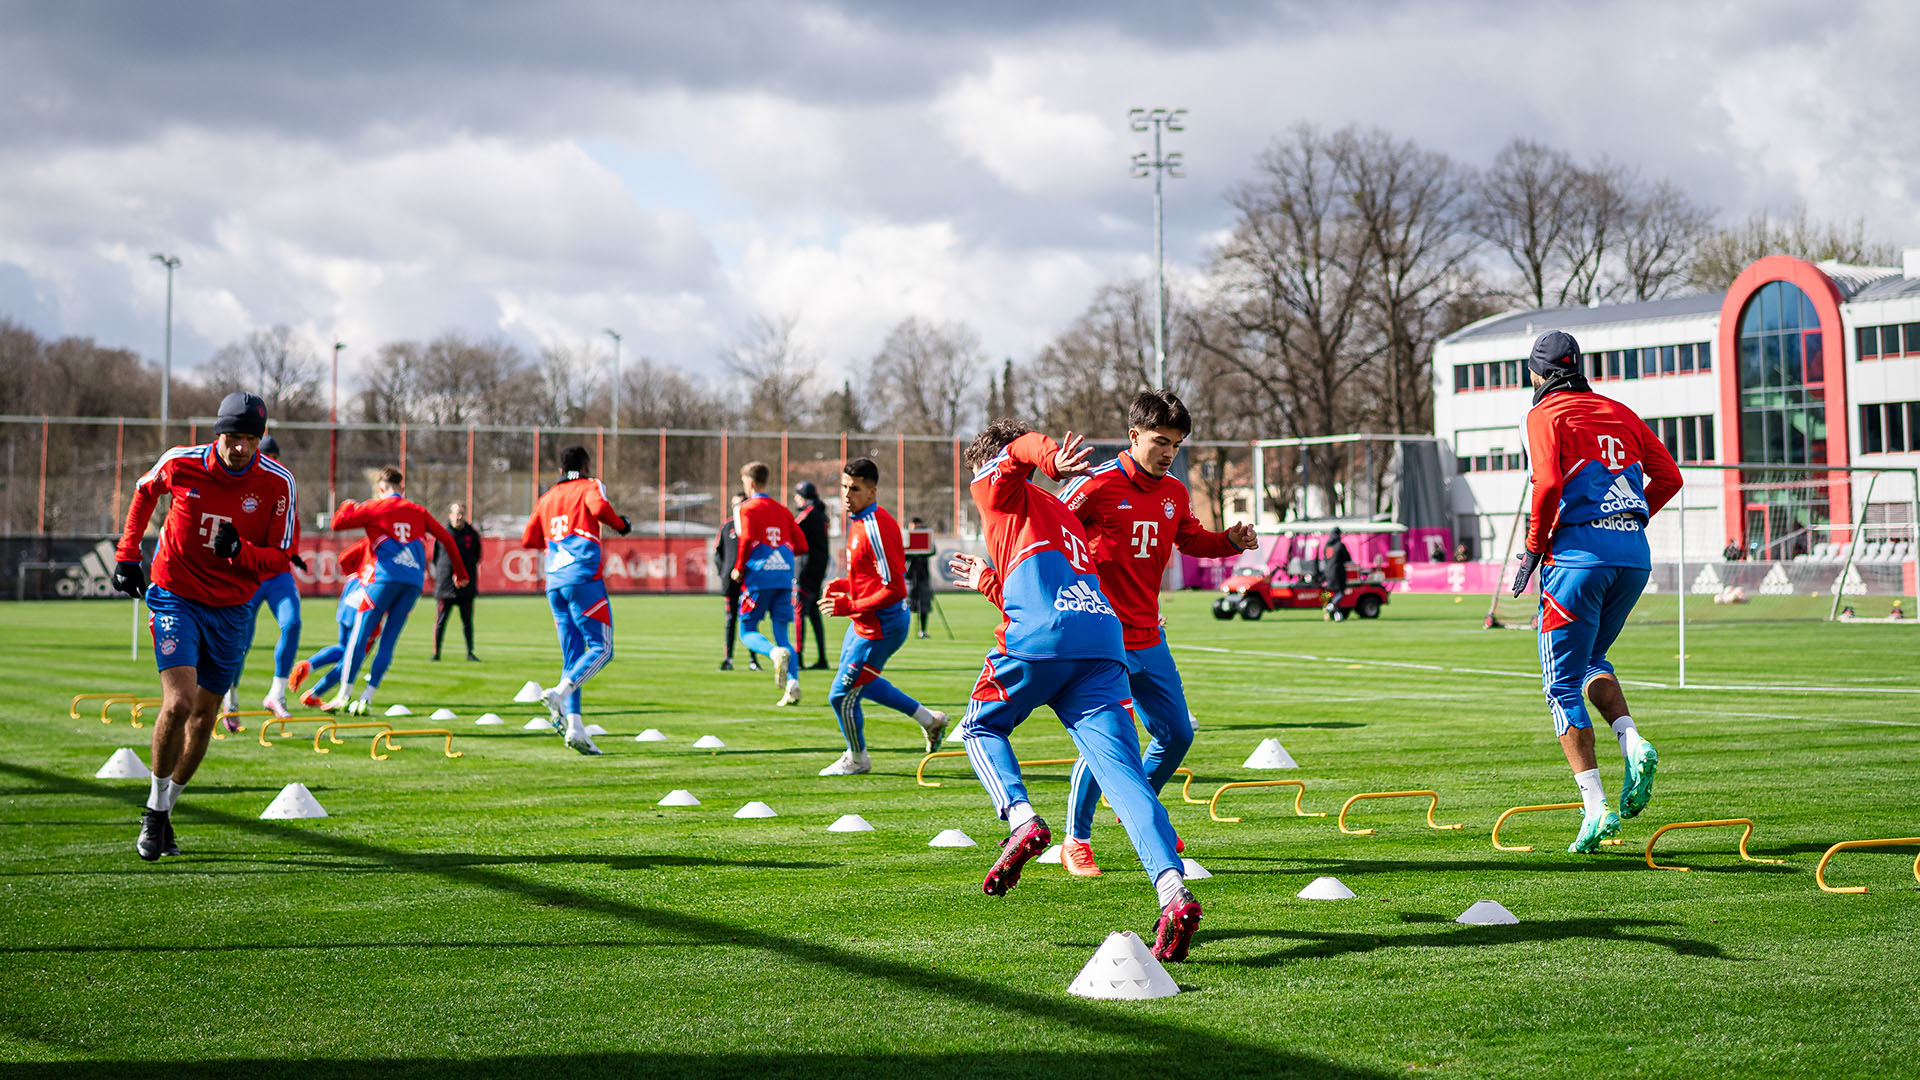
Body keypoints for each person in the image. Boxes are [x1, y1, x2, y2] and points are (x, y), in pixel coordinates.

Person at [947, 419, 1202, 963]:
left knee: (979, 725)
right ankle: (1173, 893)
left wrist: (1046, 456)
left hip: (1048, 635)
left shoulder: (999, 485)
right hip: (1100, 637)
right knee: (1127, 778)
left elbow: (1017, 452)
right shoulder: (1060, 514)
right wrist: (990, 582)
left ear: (986, 465)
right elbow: (1047, 585)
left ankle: (1021, 820)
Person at [1054, 390, 1257, 876]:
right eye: (1160, 441)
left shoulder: (1175, 491)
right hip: (1101, 636)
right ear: (1133, 436)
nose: (1168, 452)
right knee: (1110, 741)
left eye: (1177, 444)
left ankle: (1140, 813)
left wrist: (1228, 541)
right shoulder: (1094, 485)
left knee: (1176, 733)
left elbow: (1190, 538)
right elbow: (1048, 532)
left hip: (1149, 633)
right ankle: (1076, 838)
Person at [1510, 330, 1681, 853]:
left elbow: (1546, 485)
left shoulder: (1543, 414)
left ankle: (1595, 808)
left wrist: (1534, 548)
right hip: (1632, 556)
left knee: (1560, 687)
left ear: (1536, 375)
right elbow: (1669, 477)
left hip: (1576, 561)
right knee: (1593, 660)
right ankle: (1633, 740)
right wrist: (1627, 522)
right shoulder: (1620, 411)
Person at [112, 391, 297, 860]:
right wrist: (127, 554)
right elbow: (143, 492)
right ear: (218, 434)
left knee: (204, 716)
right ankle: (153, 813)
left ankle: (165, 808)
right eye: (232, 437)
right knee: (179, 702)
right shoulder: (182, 463)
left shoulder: (278, 484)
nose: (239, 447)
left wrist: (241, 552)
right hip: (175, 594)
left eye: (249, 439)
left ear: (259, 440)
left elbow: (280, 557)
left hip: (232, 608)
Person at [816, 458, 949, 776]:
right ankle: (931, 720)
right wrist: (843, 585)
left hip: (881, 626)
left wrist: (849, 606)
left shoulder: (876, 526)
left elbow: (895, 590)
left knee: (841, 694)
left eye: (856, 489)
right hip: (864, 622)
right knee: (863, 682)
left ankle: (858, 758)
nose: (847, 495)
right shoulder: (858, 520)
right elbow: (870, 580)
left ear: (872, 491)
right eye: (845, 488)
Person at [325, 466, 469, 715]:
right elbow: (446, 538)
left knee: (360, 636)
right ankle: (367, 698)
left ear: (381, 488)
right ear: (402, 487)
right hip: (413, 584)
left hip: (384, 580)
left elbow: (337, 524)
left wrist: (347, 506)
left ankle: (344, 695)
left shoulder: (374, 507)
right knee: (388, 641)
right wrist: (461, 573)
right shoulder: (418, 511)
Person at [520, 446, 631, 755]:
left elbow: (528, 539)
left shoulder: (547, 497)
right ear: (585, 465)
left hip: (554, 582)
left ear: (560, 468)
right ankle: (559, 692)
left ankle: (575, 728)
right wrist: (621, 524)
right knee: (602, 649)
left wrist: (556, 540)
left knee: (573, 657)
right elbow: (599, 509)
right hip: (582, 579)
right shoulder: (590, 485)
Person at [224, 433, 305, 723]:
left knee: (292, 623)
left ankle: (276, 693)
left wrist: (293, 553)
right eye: (265, 456)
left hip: (279, 574)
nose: (270, 462)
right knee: (241, 641)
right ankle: (230, 698)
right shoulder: (244, 486)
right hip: (250, 575)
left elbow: (291, 529)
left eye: (274, 457)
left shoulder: (285, 486)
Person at [733, 461, 807, 705]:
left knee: (747, 630)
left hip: (758, 577)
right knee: (783, 635)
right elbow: (802, 545)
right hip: (784, 576)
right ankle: (793, 685)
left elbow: (745, 540)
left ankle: (773, 653)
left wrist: (738, 568)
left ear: (751, 483)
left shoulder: (746, 508)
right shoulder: (783, 510)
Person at [291, 537, 385, 708]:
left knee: (343, 648)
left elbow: (343, 557)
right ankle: (315, 694)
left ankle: (308, 665)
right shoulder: (396, 546)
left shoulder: (371, 539)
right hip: (366, 605)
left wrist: (353, 575)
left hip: (350, 595)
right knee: (353, 658)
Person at [431, 501, 483, 662]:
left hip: (466, 586)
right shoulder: (442, 534)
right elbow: (436, 558)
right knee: (441, 621)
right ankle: (436, 653)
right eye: (456, 513)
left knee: (467, 621)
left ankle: (470, 652)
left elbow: (477, 556)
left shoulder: (472, 534)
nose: (459, 517)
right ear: (450, 515)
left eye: (461, 513)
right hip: (445, 586)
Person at [714, 494, 757, 671]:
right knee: (731, 620)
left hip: (749, 581)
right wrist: (724, 573)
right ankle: (728, 659)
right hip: (730, 582)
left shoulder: (753, 526)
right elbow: (718, 553)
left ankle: (753, 660)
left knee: (750, 620)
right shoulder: (727, 526)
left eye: (740, 504)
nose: (736, 507)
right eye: (734, 505)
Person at [792, 480, 832, 670]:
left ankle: (798, 657)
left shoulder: (808, 514)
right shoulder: (822, 515)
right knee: (814, 613)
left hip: (806, 568)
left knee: (799, 610)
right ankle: (822, 657)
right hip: (818, 568)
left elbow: (790, 531)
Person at [904, 516, 935, 639]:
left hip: (922, 576)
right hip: (909, 577)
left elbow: (932, 550)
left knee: (924, 604)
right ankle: (904, 630)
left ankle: (922, 630)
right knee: (907, 604)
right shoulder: (905, 538)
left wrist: (921, 548)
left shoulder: (926, 539)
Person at [1321, 526, 1353, 621]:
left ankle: (1336, 615)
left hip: (1327, 572)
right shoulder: (1340, 545)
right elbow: (1347, 558)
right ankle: (1331, 606)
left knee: (1329, 592)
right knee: (1339, 593)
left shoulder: (1327, 546)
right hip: (1337, 572)